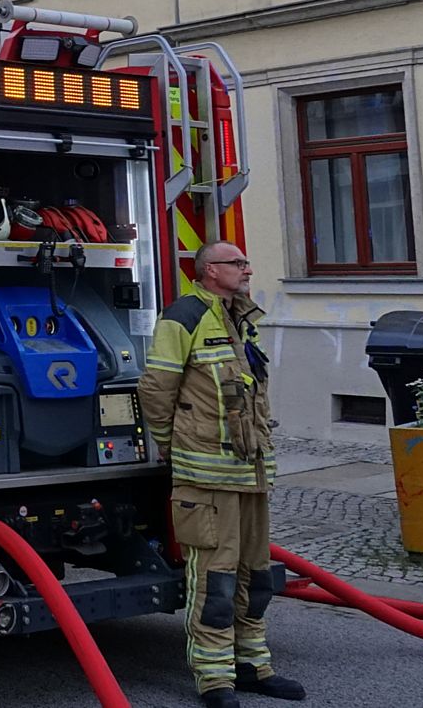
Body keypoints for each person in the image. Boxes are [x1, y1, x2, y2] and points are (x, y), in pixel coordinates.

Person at [138, 243, 305, 708]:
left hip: (249, 473)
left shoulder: (241, 316)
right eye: (237, 263)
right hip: (206, 477)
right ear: (210, 270)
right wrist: (171, 443)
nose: (247, 269)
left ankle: (252, 666)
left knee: (257, 575)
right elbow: (156, 389)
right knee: (216, 580)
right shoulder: (184, 317)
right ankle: (214, 679)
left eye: (246, 262)